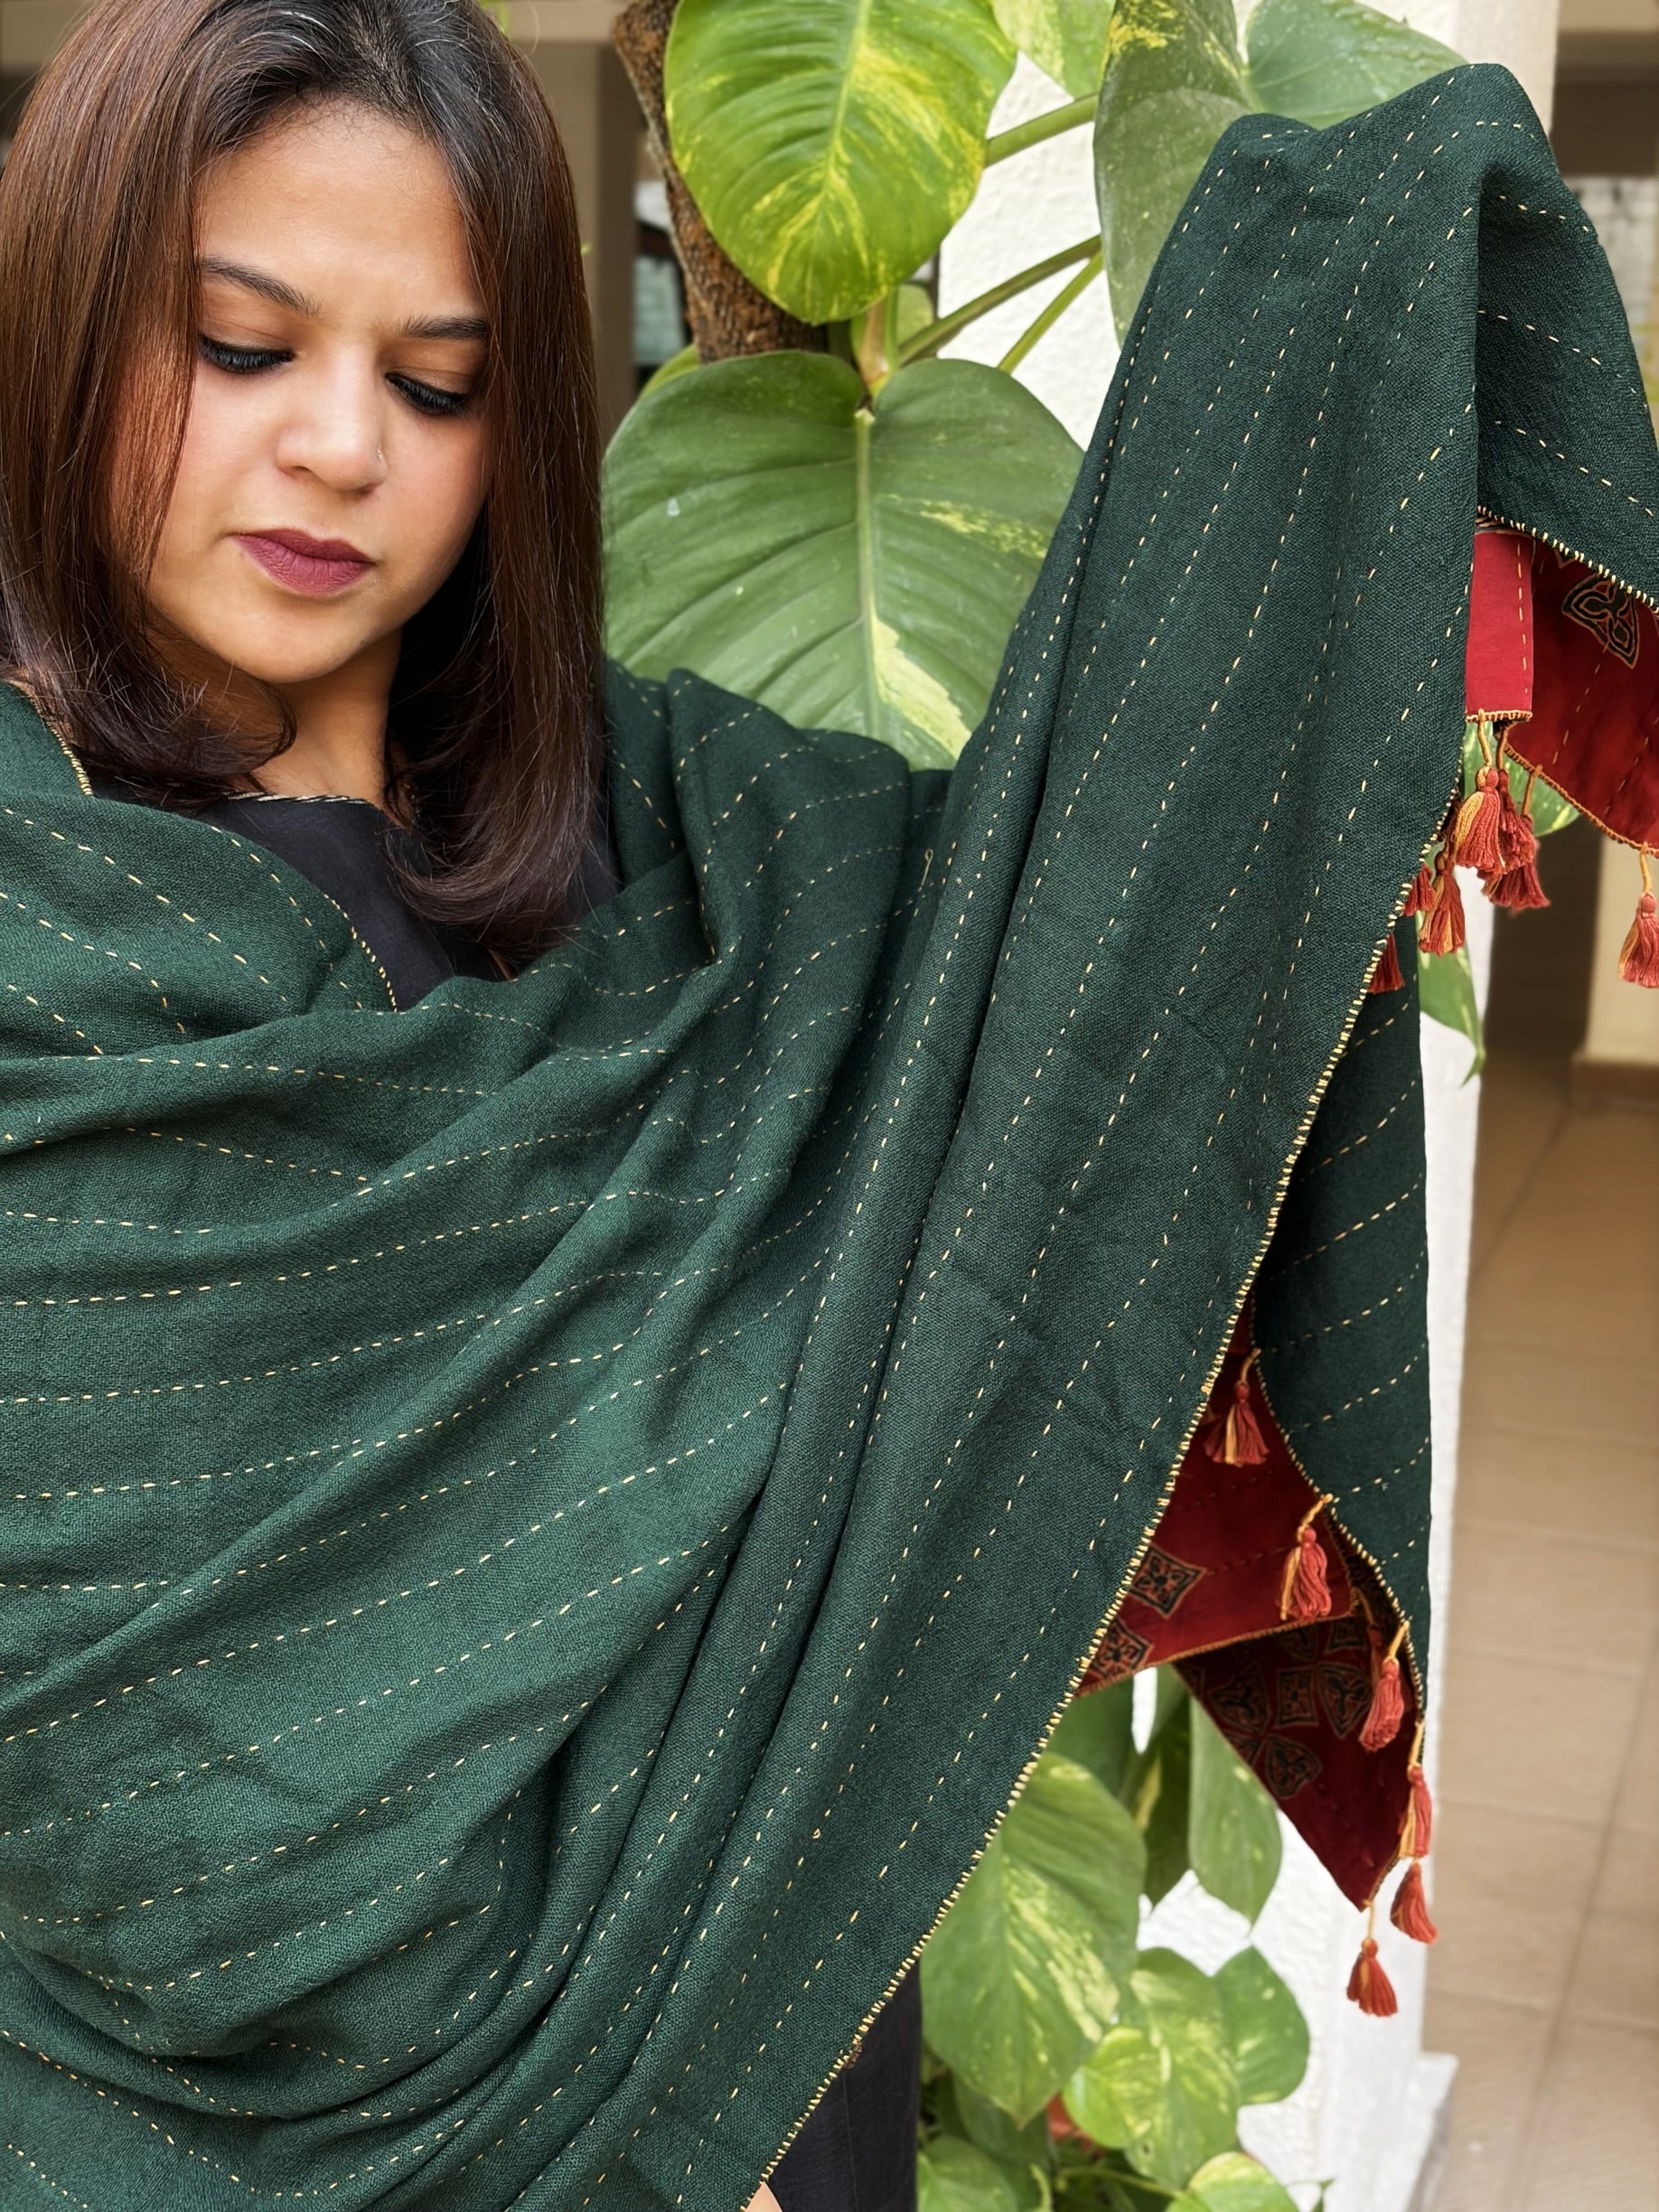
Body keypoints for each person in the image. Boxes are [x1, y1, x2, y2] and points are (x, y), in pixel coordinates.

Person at [3, 6, 1657, 2212]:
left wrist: (1314, 370)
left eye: (438, 382)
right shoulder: (40, 938)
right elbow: (155, 1807)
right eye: (240, 348)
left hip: (778, 2035)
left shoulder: (692, 840)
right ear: (64, 322)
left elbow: (1071, 999)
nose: (338, 447)